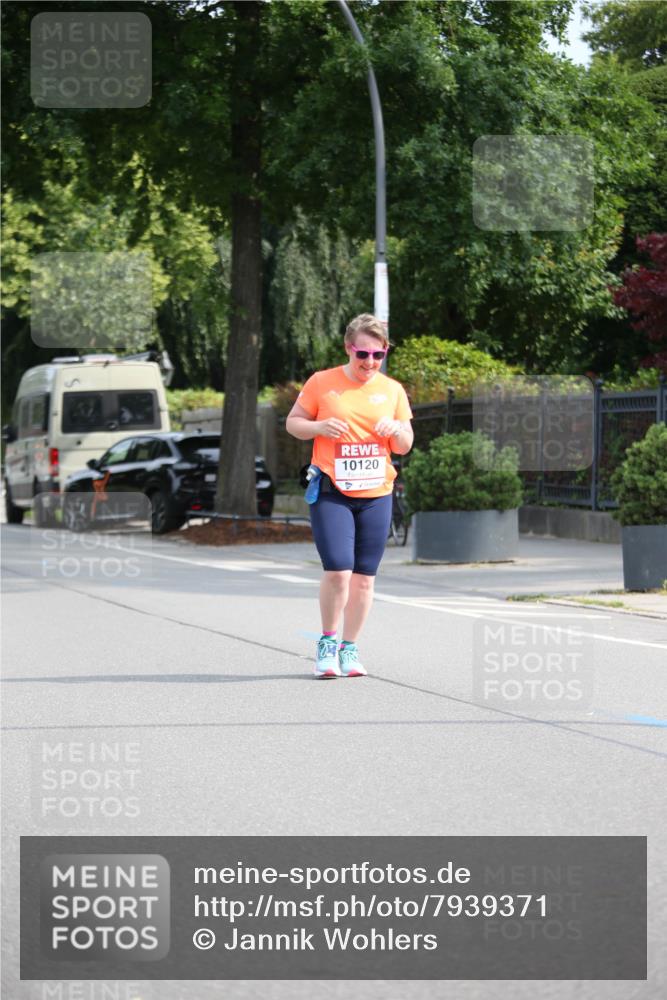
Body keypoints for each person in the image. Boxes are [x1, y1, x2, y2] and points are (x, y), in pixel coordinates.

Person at [286, 313, 414, 679]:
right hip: (332, 491)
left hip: (377, 492)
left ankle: (350, 648)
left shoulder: (392, 390)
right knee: (339, 571)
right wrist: (319, 426)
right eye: (362, 354)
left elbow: (404, 444)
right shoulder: (322, 383)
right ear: (348, 348)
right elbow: (293, 423)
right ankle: (327, 642)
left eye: (378, 354)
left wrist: (395, 431)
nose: (370, 363)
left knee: (364, 578)